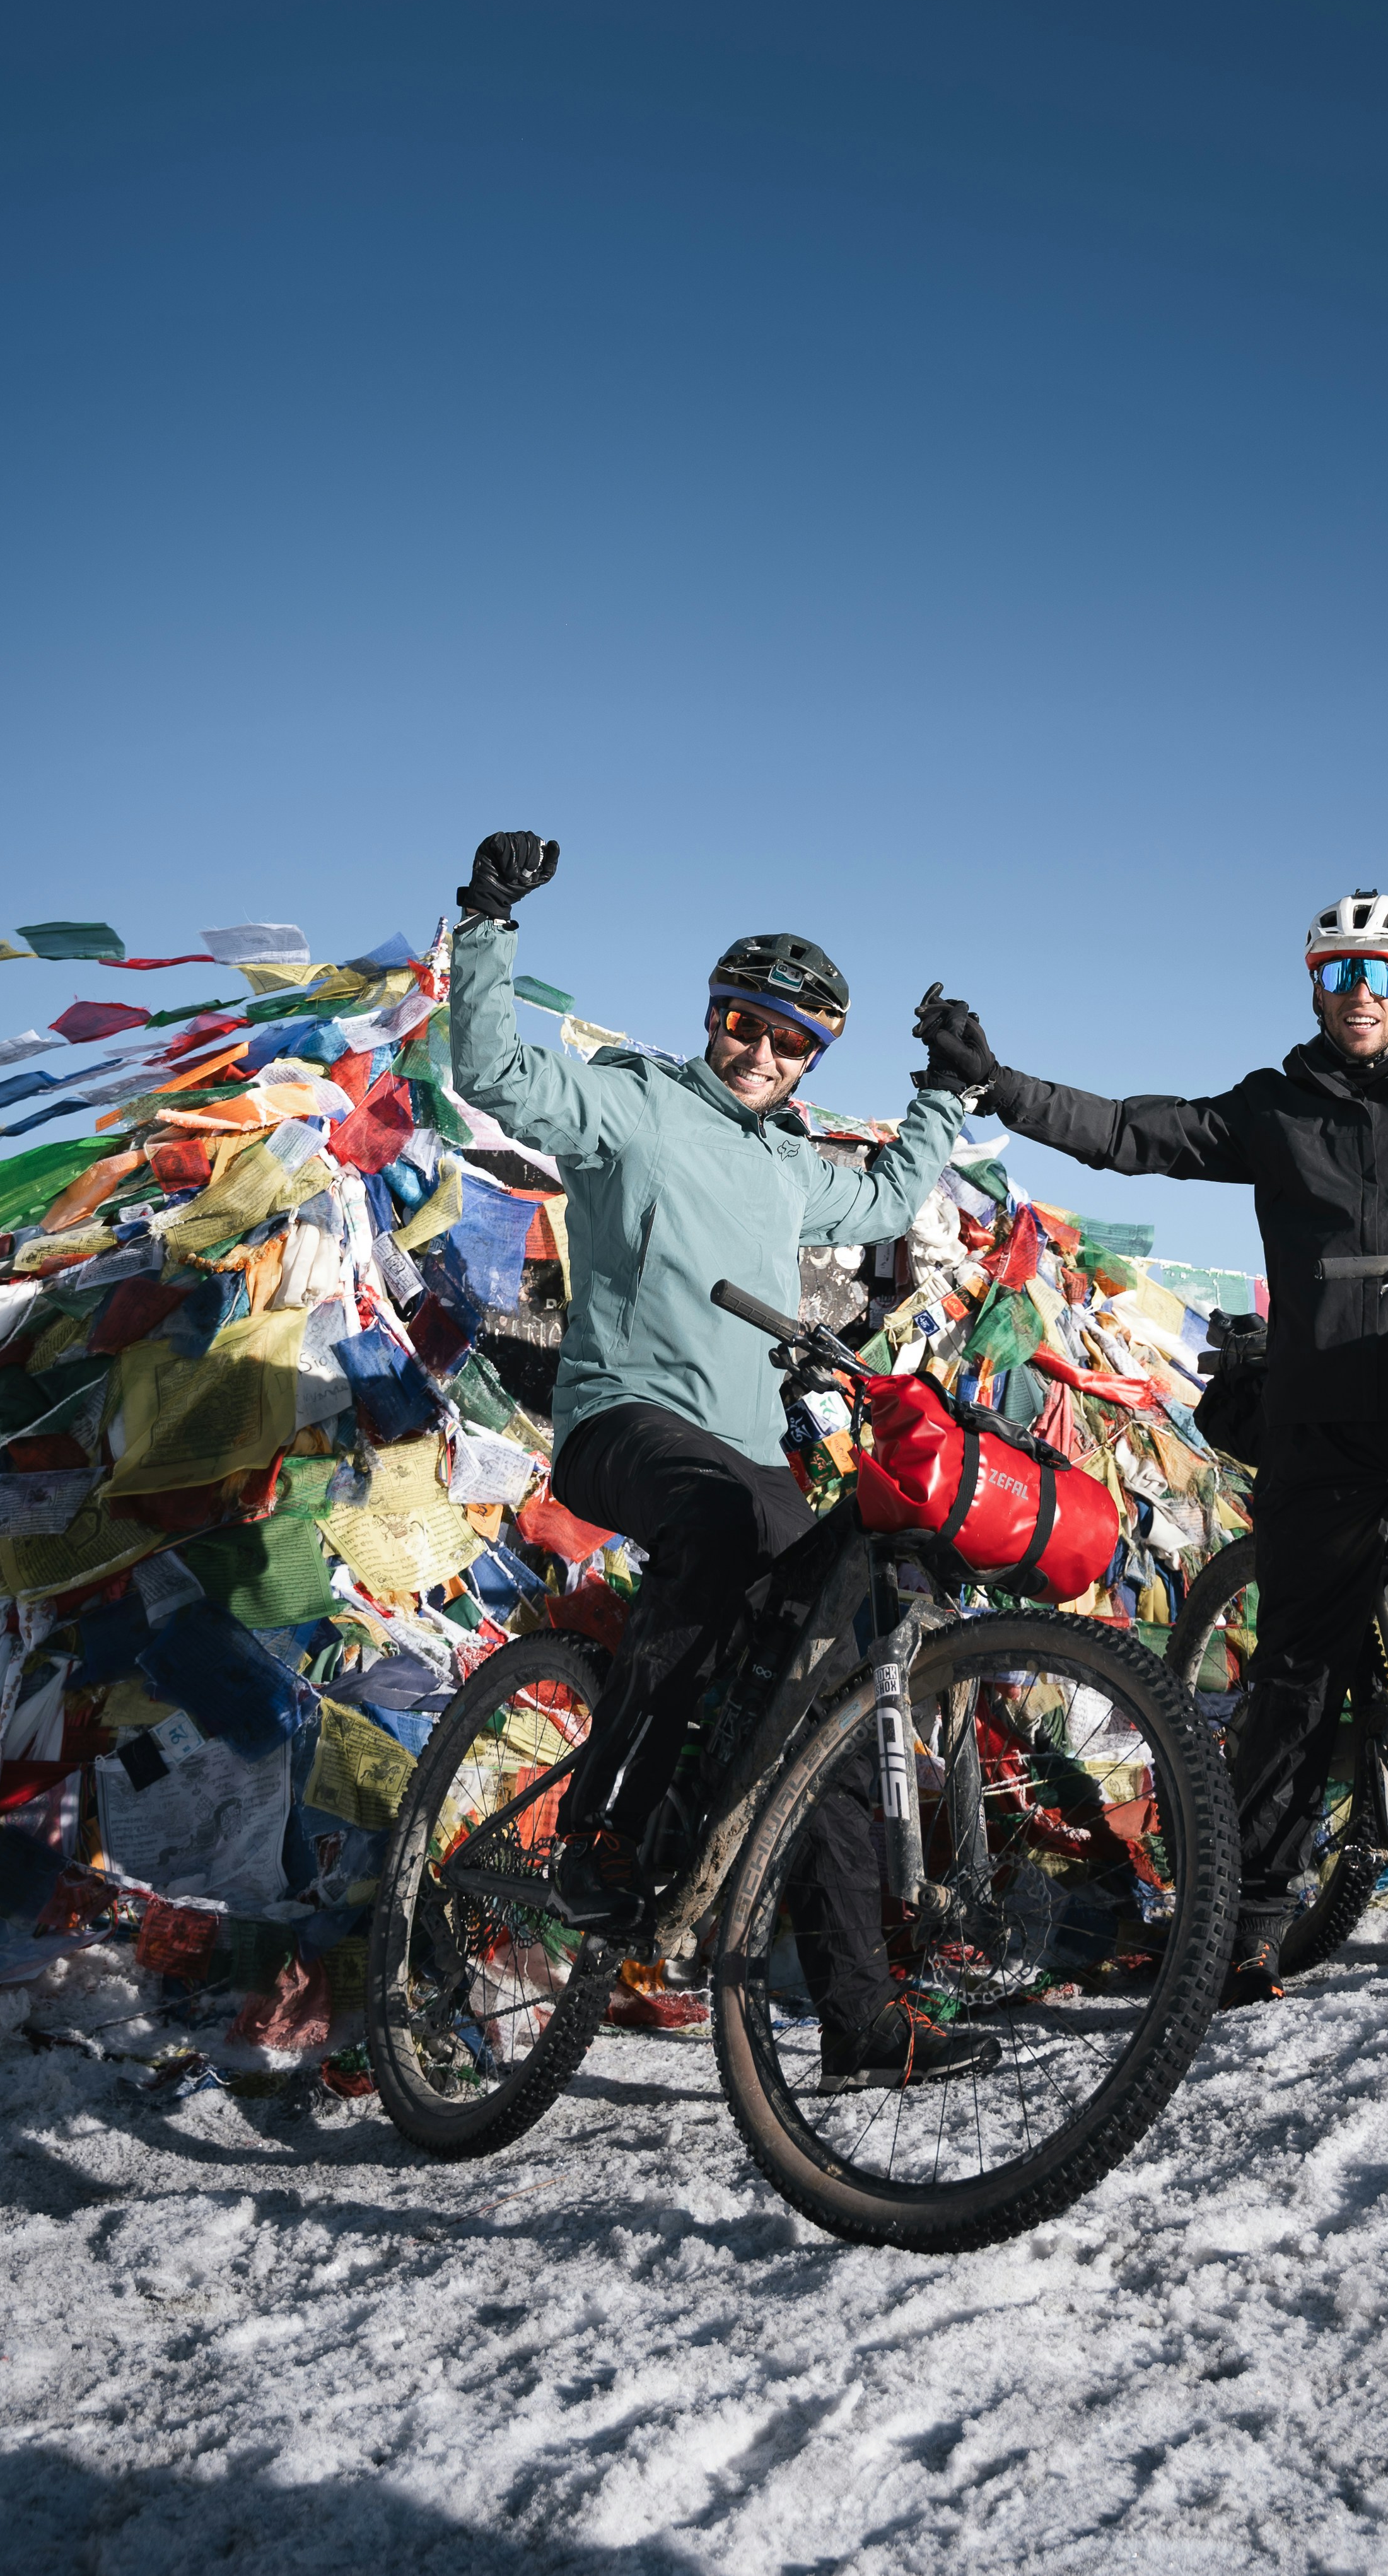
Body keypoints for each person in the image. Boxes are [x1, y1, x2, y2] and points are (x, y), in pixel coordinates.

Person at [909, 865, 1388, 2003]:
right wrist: (999, 1085)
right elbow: (1129, 1133)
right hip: (1323, 1427)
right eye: (1338, 975)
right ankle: (1254, 1918)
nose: (1359, 993)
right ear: (1316, 990)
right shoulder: (1275, 1106)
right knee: (1300, 1677)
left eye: (1380, 974)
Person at [446, 829, 997, 2091]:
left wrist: (948, 1090)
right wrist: (487, 921)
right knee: (709, 1532)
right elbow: (489, 1067)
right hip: (621, 1419)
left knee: (834, 1692)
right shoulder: (628, 1099)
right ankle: (600, 1829)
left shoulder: (791, 1165)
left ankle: (862, 2028)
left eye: (790, 1042)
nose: (759, 1054)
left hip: (753, 1454)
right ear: (712, 1017)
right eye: (742, 1025)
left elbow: (888, 1194)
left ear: (811, 1060)